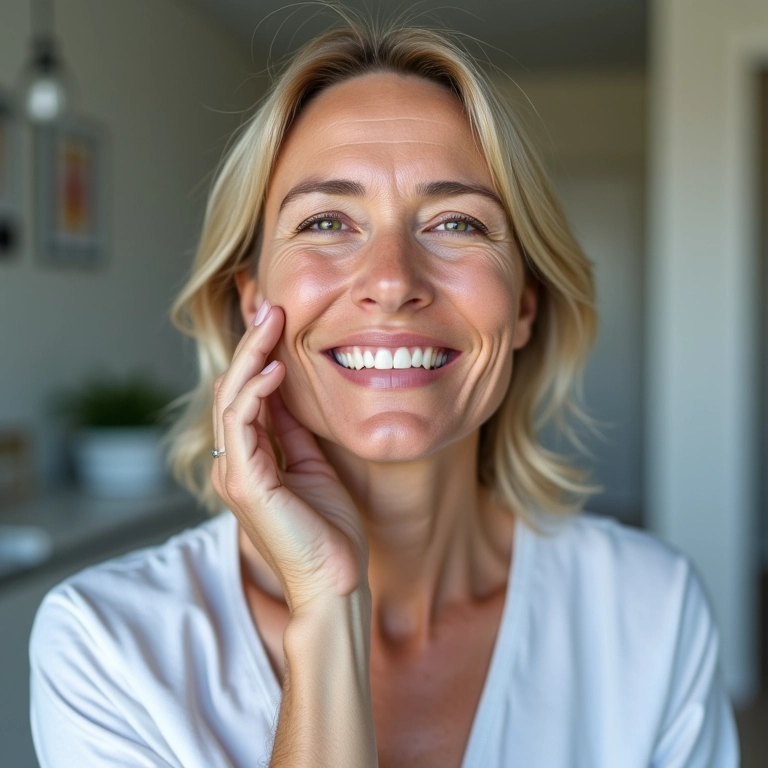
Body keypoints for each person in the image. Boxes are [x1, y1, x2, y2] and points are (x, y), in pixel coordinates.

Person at [29, 19, 739, 768]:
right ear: (251, 301)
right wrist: (327, 612)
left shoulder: (653, 612)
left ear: (525, 304)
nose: (394, 280)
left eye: (457, 222)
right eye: (327, 221)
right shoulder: (107, 646)